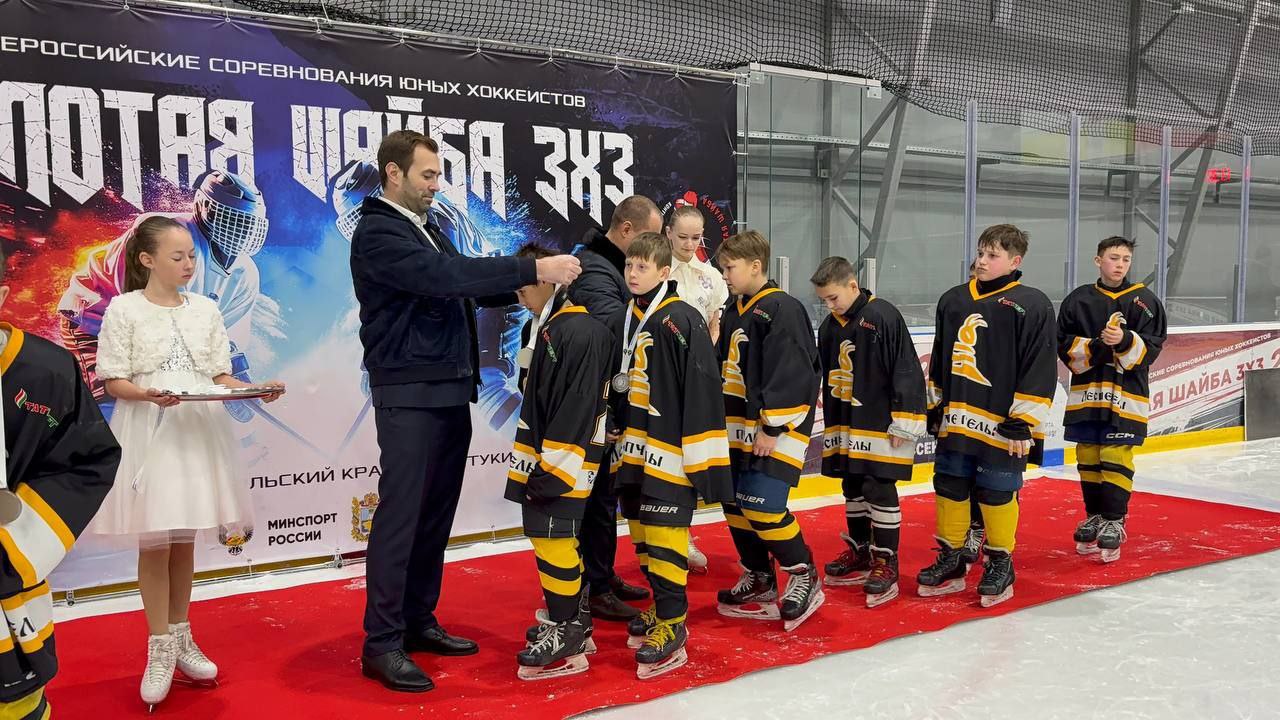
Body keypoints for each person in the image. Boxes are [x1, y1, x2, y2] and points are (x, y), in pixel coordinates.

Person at [349, 130, 581, 693]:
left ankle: (417, 621)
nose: (436, 185)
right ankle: (381, 643)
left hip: (449, 386)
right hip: (409, 388)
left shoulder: (427, 227)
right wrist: (531, 272)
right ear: (394, 173)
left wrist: (526, 287)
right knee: (402, 516)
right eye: (427, 175)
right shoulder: (378, 231)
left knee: (434, 514)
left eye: (437, 175)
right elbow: (443, 279)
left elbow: (465, 285)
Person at [88, 216, 285, 708]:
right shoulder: (125, 309)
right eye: (177, 256)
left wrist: (255, 389)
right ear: (147, 259)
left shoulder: (206, 310)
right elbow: (113, 380)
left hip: (198, 431)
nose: (188, 264)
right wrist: (148, 395)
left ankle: (181, 636)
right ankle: (159, 646)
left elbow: (219, 376)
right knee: (155, 541)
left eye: (191, 256)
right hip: (150, 433)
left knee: (183, 540)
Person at [0, 246, 121, 719]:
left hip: (8, 601)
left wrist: (16, 545)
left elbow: (87, 460)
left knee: (19, 706)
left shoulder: (46, 371)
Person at [608, 231, 733, 679]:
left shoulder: (682, 317)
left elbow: (702, 387)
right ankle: (662, 606)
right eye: (629, 265)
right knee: (642, 531)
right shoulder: (629, 315)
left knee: (665, 533)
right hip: (634, 448)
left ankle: (674, 623)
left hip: (670, 450)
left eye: (642, 267)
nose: (633, 273)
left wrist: (699, 455)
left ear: (664, 272)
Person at [59, 170, 273, 424]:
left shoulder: (245, 275)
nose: (240, 231)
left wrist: (232, 377)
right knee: (117, 409)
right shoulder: (162, 234)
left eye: (248, 224)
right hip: (96, 322)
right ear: (204, 208)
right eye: (232, 220)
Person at [917, 224, 1056, 608]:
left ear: (1015, 261)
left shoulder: (1032, 304)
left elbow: (1040, 364)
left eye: (992, 255)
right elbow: (941, 357)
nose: (981, 261)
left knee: (996, 491)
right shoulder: (953, 299)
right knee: (949, 484)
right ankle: (952, 557)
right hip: (958, 417)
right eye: (980, 252)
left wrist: (1024, 419)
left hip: (1003, 423)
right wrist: (935, 405)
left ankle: (1000, 562)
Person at [503, 243, 613, 681]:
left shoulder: (576, 330)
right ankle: (574, 622)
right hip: (557, 454)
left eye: (522, 289)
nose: (519, 298)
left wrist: (554, 468)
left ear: (547, 280)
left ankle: (568, 631)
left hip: (565, 458)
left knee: (553, 537)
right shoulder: (553, 326)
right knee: (553, 536)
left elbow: (577, 405)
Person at [714, 230, 824, 632]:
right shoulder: (735, 308)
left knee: (762, 504)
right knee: (734, 503)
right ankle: (760, 576)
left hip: (775, 428)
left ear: (755, 265)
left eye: (730, 267)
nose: (725, 274)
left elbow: (794, 371)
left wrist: (772, 425)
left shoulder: (782, 308)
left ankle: (804, 573)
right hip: (737, 426)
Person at [566, 195, 664, 621]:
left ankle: (601, 577)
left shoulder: (608, 267)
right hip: (594, 401)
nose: (654, 251)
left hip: (608, 397)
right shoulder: (594, 269)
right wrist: (662, 315)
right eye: (650, 239)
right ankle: (593, 587)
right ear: (627, 231)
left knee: (605, 497)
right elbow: (614, 324)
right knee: (595, 499)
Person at [810, 257, 926, 608]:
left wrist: (905, 419)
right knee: (853, 484)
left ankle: (886, 560)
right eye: (824, 301)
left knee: (878, 485)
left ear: (852, 286)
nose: (830, 306)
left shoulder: (882, 315)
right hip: (845, 419)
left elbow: (906, 368)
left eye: (833, 298)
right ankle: (861, 550)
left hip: (880, 422)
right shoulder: (830, 327)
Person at [1058, 236, 1167, 562]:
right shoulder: (1078, 300)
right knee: (1088, 454)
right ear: (1098, 260)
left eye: (1125, 259)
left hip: (1126, 395)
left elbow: (1153, 347)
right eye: (1114, 258)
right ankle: (1095, 515)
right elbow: (1062, 343)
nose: (1120, 264)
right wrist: (1098, 345)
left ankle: (1115, 520)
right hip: (1087, 394)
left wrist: (1125, 340)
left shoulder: (1145, 301)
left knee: (1115, 454)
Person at [664, 205, 729, 573]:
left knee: (691, 457)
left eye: (696, 238)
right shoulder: (657, 271)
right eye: (683, 237)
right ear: (668, 233)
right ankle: (667, 535)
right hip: (661, 377)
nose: (689, 244)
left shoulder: (712, 277)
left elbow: (715, 326)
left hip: (699, 377)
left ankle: (683, 532)